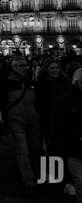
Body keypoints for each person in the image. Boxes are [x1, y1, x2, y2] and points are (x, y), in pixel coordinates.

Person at [4, 55, 42, 198]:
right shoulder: (7, 84)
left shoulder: (31, 84)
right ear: (13, 67)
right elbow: (2, 103)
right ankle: (29, 181)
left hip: (33, 121)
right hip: (16, 122)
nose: (24, 68)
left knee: (34, 149)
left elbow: (38, 102)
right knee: (23, 150)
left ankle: (25, 171)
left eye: (25, 65)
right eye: (21, 65)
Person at [51, 68, 82, 203]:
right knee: (80, 182)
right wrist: (59, 154)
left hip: (76, 146)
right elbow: (58, 129)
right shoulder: (65, 100)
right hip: (74, 149)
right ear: (78, 82)